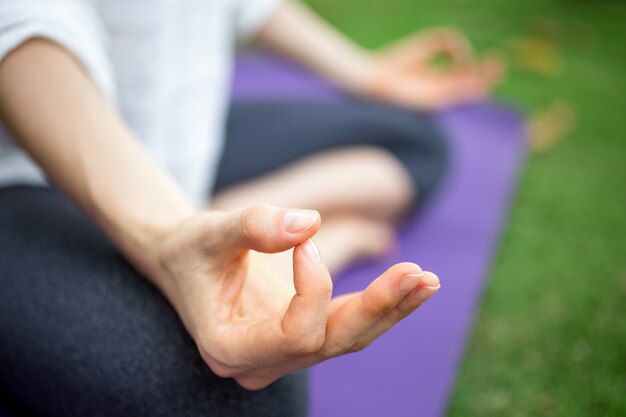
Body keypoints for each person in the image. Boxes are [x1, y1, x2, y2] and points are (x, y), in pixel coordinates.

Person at [0, 1, 504, 416]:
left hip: (176, 148)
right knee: (246, 398)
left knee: (417, 142)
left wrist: (366, 72)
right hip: (31, 173)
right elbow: (21, 22)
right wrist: (165, 236)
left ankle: (224, 222)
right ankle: (238, 238)